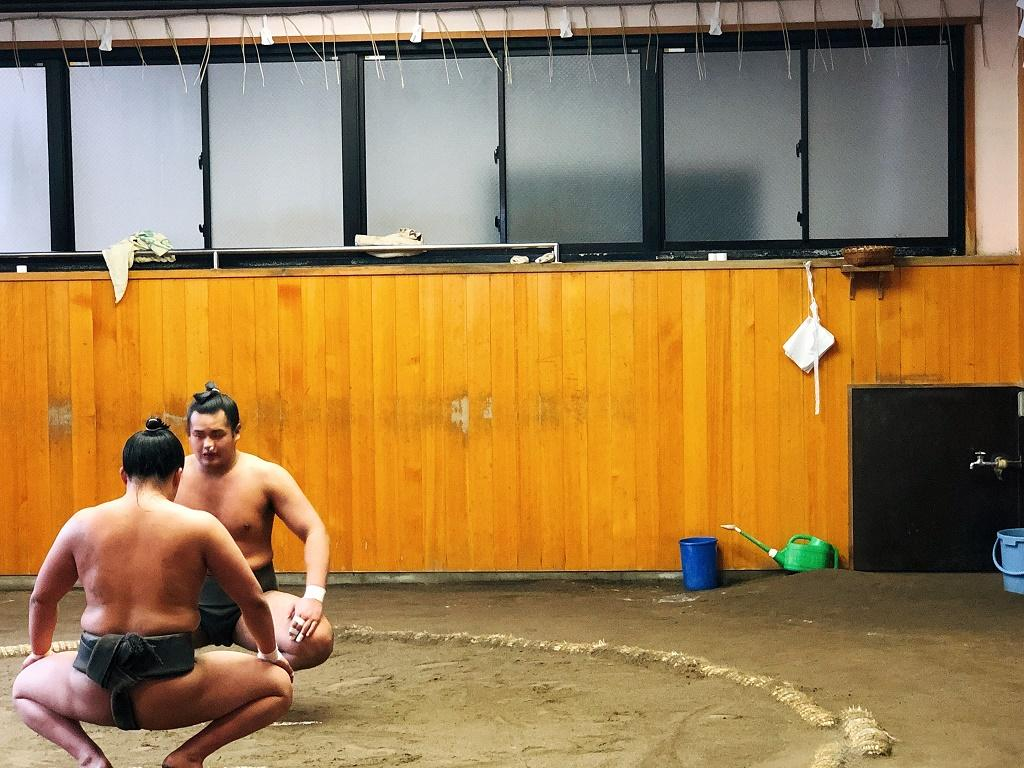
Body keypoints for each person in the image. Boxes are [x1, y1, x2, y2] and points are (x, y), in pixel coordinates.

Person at [11, 418, 293, 768]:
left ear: (123, 475)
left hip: (93, 690)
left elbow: (41, 598)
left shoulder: (82, 523)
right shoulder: (201, 526)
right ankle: (188, 757)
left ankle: (90, 758)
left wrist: (39, 653)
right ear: (178, 476)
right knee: (278, 685)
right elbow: (252, 600)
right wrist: (269, 653)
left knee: (23, 688)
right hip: (173, 693)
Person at [176, 382, 334, 671]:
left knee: (317, 639)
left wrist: (313, 596)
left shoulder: (266, 477)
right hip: (188, 599)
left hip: (256, 598)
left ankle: (250, 677)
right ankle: (227, 679)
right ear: (188, 434)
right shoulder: (171, 478)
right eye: (199, 435)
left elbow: (314, 530)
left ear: (236, 432)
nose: (208, 445)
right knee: (131, 642)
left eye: (217, 434)